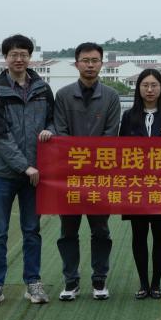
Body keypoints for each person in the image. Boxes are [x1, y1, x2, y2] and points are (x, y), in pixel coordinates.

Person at [0, 34, 54, 307]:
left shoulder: (42, 89)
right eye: (14, 54)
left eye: (23, 54)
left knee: (32, 230)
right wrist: (25, 167)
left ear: (30, 57)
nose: (19, 59)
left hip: (35, 174)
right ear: (6, 58)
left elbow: (53, 121)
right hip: (5, 174)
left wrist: (51, 130)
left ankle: (33, 283)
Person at [51, 42, 121, 301]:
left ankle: (99, 280)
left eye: (95, 60)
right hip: (68, 175)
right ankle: (71, 282)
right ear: (76, 63)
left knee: (100, 230)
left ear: (101, 63)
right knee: (68, 230)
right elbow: (60, 133)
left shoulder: (111, 96)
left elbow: (110, 135)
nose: (90, 65)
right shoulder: (63, 95)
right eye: (85, 60)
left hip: (100, 175)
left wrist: (92, 162)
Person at [119, 68, 161, 300]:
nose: (150, 89)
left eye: (154, 85)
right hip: (136, 186)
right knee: (138, 234)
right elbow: (120, 151)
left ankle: (156, 283)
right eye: (145, 85)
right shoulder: (129, 116)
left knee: (160, 233)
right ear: (139, 89)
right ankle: (143, 283)